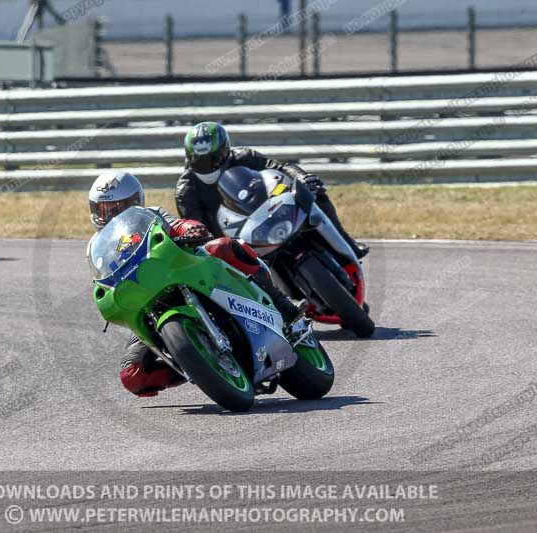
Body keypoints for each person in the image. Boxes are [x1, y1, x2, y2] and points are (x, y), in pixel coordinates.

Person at [88, 170, 306, 398]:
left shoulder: (151, 215)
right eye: (103, 209)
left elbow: (178, 224)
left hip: (183, 269)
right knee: (132, 374)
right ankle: (201, 364)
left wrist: (189, 229)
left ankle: (283, 305)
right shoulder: (96, 247)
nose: (111, 215)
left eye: (118, 207)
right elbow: (102, 280)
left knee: (224, 247)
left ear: (135, 201)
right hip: (146, 301)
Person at [175, 121, 369, 259]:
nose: (208, 165)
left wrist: (302, 178)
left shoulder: (243, 156)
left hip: (267, 210)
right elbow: (197, 228)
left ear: (226, 150)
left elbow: (279, 167)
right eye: (199, 161)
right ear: (189, 158)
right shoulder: (186, 190)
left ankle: (347, 243)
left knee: (313, 191)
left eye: (213, 158)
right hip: (234, 242)